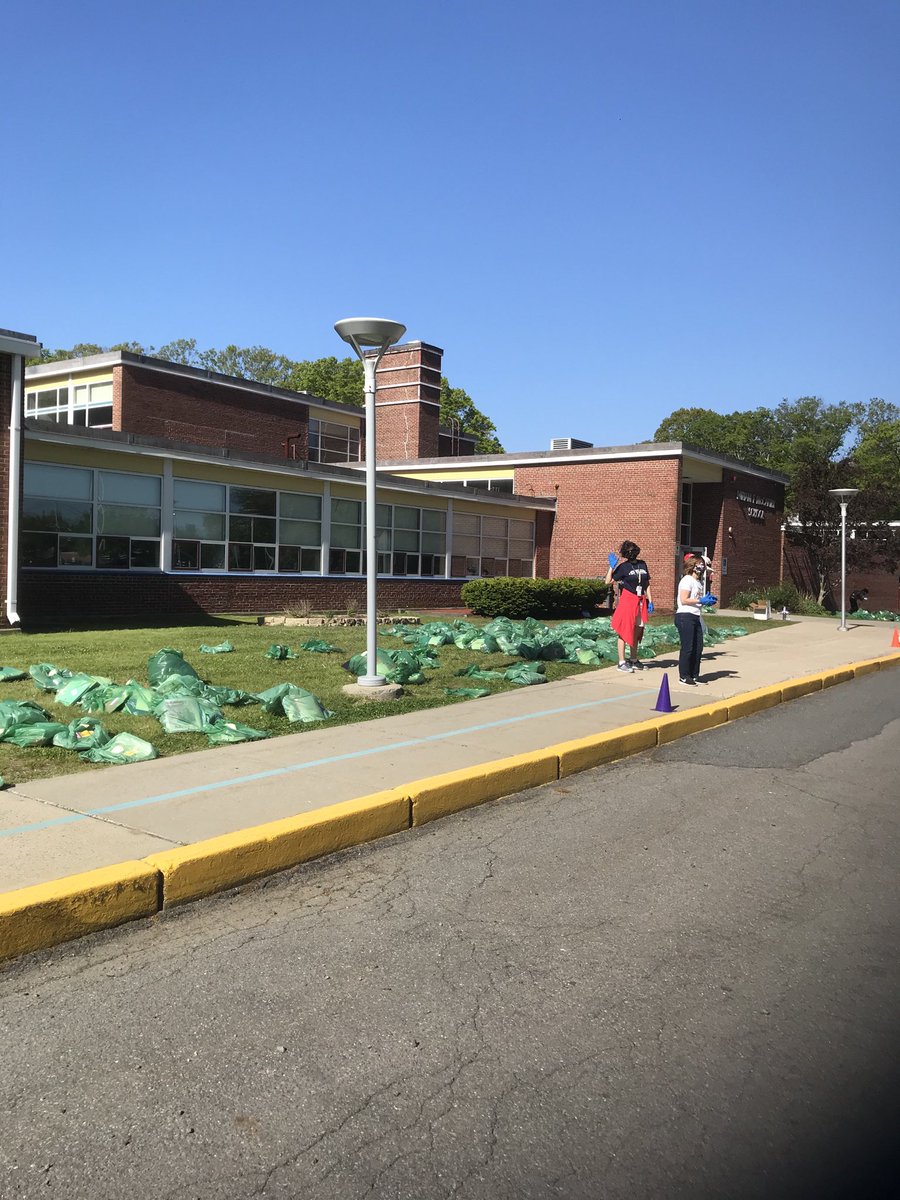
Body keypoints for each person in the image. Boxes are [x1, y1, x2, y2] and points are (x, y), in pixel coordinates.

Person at [605, 541, 653, 672]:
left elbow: (646, 583)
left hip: (640, 600)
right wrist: (611, 567)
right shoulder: (623, 567)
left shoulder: (642, 564)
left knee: (637, 630)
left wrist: (650, 599)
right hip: (628, 600)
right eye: (629, 550)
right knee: (624, 629)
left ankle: (633, 659)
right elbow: (607, 582)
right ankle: (621, 662)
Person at [675, 555, 708, 685]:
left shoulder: (699, 583)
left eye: (702, 565)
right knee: (687, 647)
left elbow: (696, 601)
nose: (701, 567)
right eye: (699, 564)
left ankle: (695, 675)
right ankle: (684, 676)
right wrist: (700, 600)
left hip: (695, 616)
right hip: (685, 616)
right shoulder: (687, 580)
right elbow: (684, 599)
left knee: (698, 647)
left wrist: (706, 601)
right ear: (692, 566)